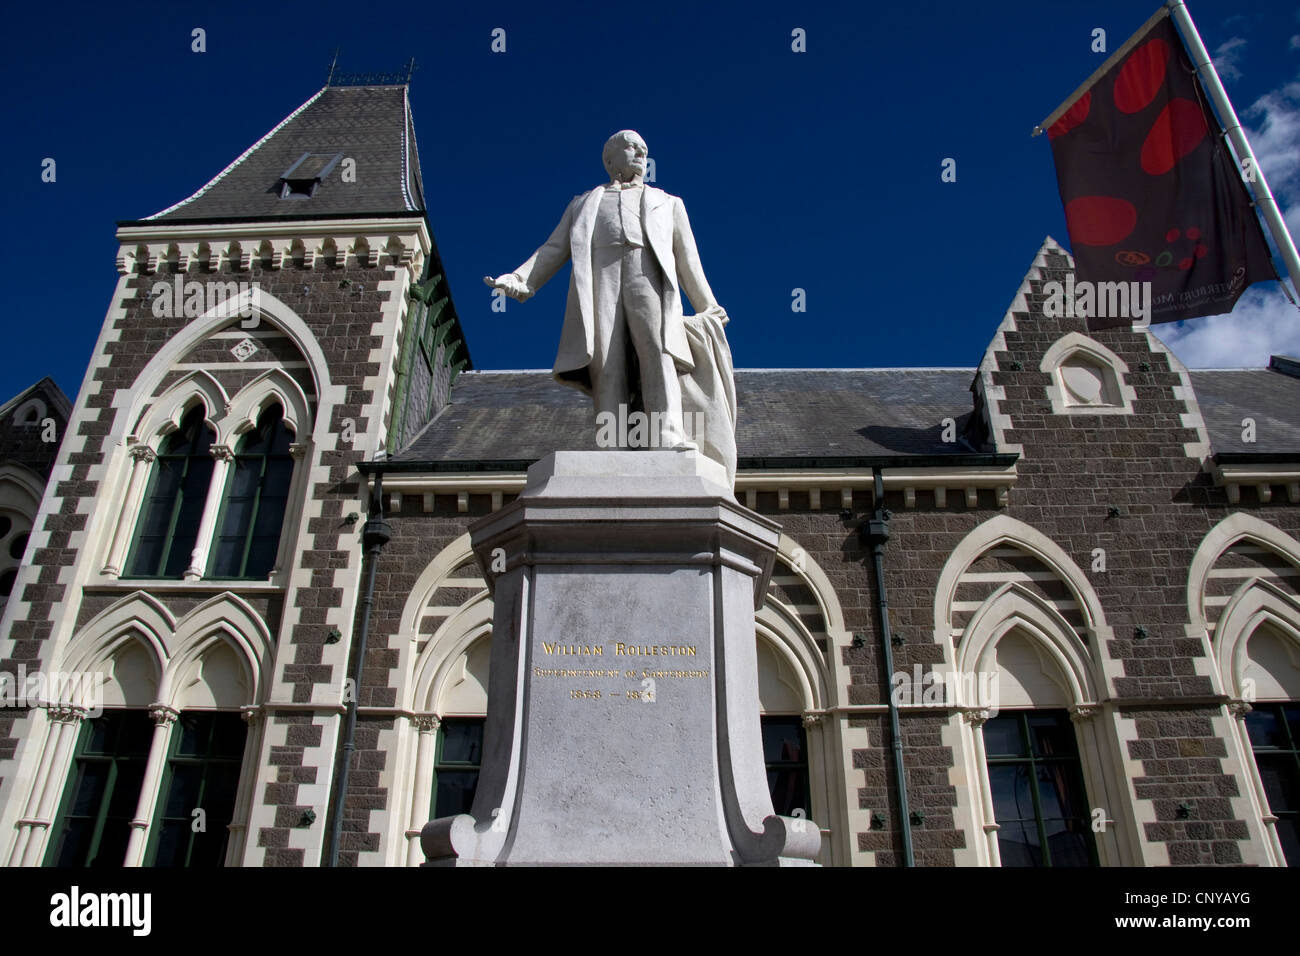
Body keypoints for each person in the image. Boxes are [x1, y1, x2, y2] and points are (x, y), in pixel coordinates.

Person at [486, 130, 731, 460]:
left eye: (644, 150)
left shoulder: (669, 203)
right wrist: (520, 279)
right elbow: (554, 248)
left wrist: (707, 304)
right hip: (603, 278)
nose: (640, 155)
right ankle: (611, 442)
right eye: (632, 148)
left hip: (648, 278)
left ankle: (667, 434)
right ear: (610, 159)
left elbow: (688, 259)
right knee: (606, 361)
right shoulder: (583, 203)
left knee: (658, 353)